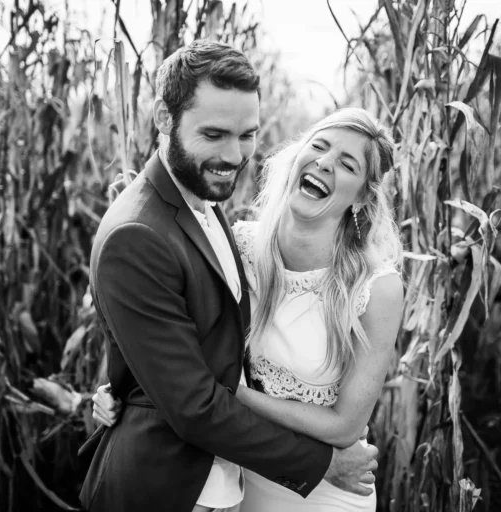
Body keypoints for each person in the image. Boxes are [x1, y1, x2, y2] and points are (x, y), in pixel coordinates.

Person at [78, 40, 379, 512]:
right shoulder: (137, 234)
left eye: (247, 135)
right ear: (163, 118)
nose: (234, 155)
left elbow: (201, 339)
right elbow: (194, 405)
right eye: (214, 134)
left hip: (232, 486)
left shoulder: (209, 204)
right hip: (167, 490)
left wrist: (128, 385)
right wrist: (322, 464)